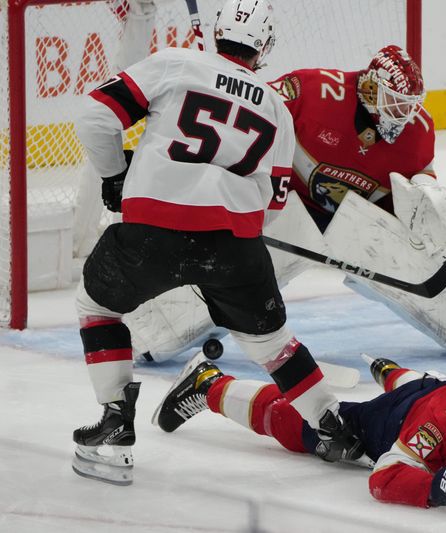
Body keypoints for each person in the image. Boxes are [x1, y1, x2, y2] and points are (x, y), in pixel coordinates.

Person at [71, 0, 362, 486]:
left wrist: (116, 176)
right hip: (234, 248)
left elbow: (96, 118)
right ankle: (333, 427)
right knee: (272, 344)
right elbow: (275, 201)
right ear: (264, 47)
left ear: (221, 31)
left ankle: (116, 422)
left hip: (150, 236)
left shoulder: (176, 62)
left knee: (96, 308)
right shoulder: (276, 107)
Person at [124, 44, 446, 363]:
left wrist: (431, 208)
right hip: (281, 207)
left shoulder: (418, 131)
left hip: (356, 224)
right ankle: (149, 327)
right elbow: (250, 117)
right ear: (369, 88)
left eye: (409, 105)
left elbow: (418, 193)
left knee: (432, 272)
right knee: (227, 276)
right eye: (395, 103)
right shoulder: (313, 91)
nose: (404, 114)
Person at [153, 338, 446, 518]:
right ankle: (210, 384)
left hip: (437, 389)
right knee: (319, 431)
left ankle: (394, 369)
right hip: (403, 414)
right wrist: (439, 485)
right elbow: (384, 477)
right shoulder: (445, 418)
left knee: (428, 385)